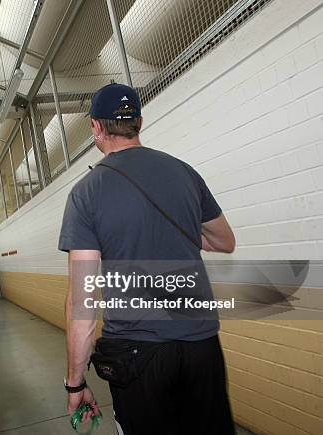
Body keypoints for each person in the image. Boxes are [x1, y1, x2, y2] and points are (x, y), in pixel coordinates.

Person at [59, 83, 236, 435]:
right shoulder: (184, 173)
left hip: (137, 353)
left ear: (96, 127)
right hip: (202, 345)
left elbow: (84, 301)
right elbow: (224, 241)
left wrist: (75, 383)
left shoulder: (86, 194)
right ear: (139, 121)